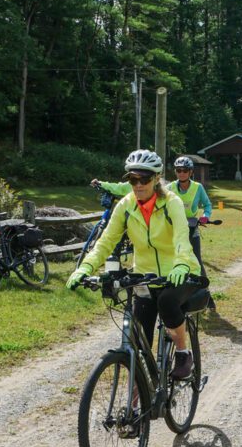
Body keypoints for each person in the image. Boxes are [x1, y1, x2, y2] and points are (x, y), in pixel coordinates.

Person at [68, 149, 204, 380]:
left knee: (167, 301)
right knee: (139, 338)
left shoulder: (172, 203)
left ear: (156, 178)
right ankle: (139, 395)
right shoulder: (126, 205)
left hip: (181, 272)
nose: (138, 185)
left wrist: (181, 265)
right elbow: (107, 241)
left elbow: (182, 238)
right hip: (145, 275)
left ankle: (182, 353)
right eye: (133, 179)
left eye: (145, 179)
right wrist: (86, 266)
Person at [167, 156, 213, 270]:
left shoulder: (198, 187)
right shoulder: (169, 187)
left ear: (191, 172)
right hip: (173, 228)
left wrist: (205, 217)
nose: (181, 173)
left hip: (192, 227)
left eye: (185, 170)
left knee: (196, 259)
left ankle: (203, 286)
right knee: (171, 258)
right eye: (178, 170)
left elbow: (207, 205)